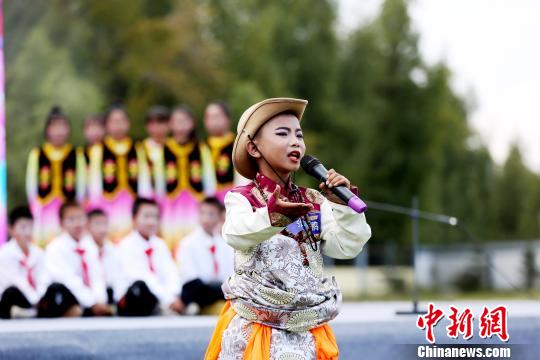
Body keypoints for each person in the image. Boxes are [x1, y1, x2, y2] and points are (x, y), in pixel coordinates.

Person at [205, 98, 372, 359]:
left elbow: (346, 247)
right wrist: (275, 216)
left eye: (299, 135)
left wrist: (342, 207)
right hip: (256, 331)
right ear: (253, 148)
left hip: (307, 331)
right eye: (283, 133)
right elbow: (235, 234)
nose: (296, 141)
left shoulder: (314, 200)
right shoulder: (242, 198)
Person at [86, 104, 151, 241]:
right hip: (107, 205)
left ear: (128, 123)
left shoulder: (137, 148)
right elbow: (94, 182)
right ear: (107, 125)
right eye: (114, 121)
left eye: (122, 121)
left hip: (132, 204)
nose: (118, 125)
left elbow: (144, 179)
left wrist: (144, 205)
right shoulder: (98, 150)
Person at [26, 106, 86, 246]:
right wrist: (35, 204)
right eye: (54, 127)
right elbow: (31, 183)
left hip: (67, 209)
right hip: (44, 208)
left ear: (68, 129)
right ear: (47, 130)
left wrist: (77, 205)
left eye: (62, 127)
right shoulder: (37, 153)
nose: (58, 131)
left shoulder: (76, 154)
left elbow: (82, 184)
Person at [159, 106, 216, 251]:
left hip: (195, 202)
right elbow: (159, 177)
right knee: (172, 237)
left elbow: (209, 176)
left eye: (185, 121)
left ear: (192, 124)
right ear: (170, 124)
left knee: (195, 235)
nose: (181, 125)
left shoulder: (201, 148)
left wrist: (209, 200)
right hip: (171, 203)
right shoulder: (165, 148)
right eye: (177, 121)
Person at [114, 198, 182, 316]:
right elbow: (142, 276)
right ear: (134, 219)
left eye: (155, 217)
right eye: (146, 217)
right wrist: (169, 300)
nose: (151, 222)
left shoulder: (160, 244)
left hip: (160, 297)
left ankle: (165, 308)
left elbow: (171, 272)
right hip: (133, 300)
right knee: (140, 286)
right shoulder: (126, 246)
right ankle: (163, 308)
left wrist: (173, 295)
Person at [45, 202, 111, 317]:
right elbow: (69, 279)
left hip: (90, 299)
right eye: (71, 219)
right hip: (68, 296)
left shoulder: (89, 245)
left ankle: (88, 310)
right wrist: (92, 303)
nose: (77, 224)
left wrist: (100, 300)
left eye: (80, 218)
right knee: (57, 290)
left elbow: (96, 275)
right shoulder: (55, 248)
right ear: (61, 223)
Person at [176, 197, 233, 314]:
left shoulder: (226, 243)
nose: (206, 219)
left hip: (220, 289)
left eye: (211, 214)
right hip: (199, 289)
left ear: (220, 216)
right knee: (194, 286)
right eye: (203, 213)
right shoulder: (188, 243)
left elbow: (230, 272)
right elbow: (188, 275)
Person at [203, 101, 246, 202]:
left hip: (230, 198)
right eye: (209, 117)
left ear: (227, 119)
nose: (213, 121)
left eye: (217, 116)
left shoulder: (237, 145)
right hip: (206, 201)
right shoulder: (201, 146)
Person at [87, 209, 118, 304]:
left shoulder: (113, 249)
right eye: (97, 224)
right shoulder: (82, 249)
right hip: (89, 297)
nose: (102, 229)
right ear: (87, 226)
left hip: (110, 295)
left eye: (105, 224)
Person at [142, 106, 170, 199]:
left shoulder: (174, 148)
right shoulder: (141, 149)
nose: (157, 127)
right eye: (152, 123)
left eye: (161, 123)